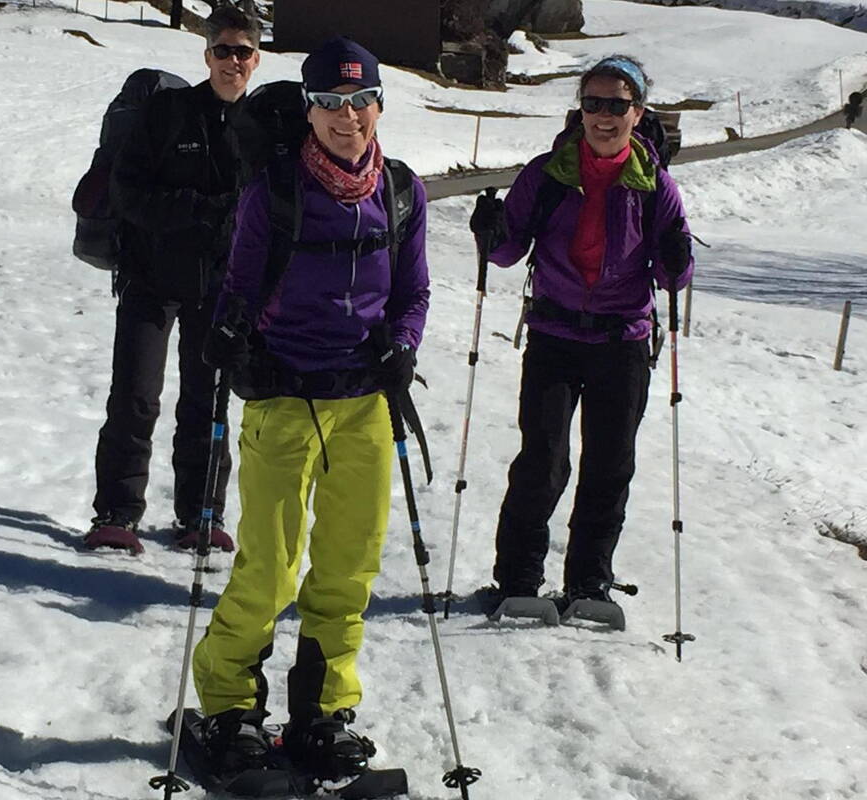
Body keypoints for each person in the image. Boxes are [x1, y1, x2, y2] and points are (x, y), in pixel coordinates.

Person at [189, 37, 430, 781]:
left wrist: (403, 345)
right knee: (270, 568)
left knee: (348, 570)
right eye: (330, 102)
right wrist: (228, 335)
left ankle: (323, 711)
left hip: (364, 403)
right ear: (310, 109)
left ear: (380, 103)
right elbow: (240, 280)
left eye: (360, 101)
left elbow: (413, 292)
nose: (347, 117)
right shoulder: (278, 190)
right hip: (285, 399)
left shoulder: (401, 190)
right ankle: (230, 706)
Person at [469, 55, 694, 613]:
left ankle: (588, 583)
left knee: (609, 464)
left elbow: (672, 276)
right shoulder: (547, 174)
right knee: (542, 461)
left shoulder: (654, 186)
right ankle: (518, 581)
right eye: (593, 103)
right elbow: (506, 251)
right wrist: (490, 232)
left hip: (621, 341)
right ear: (581, 111)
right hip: (554, 332)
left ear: (637, 113)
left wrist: (677, 256)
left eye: (617, 104)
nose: (604, 115)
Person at [85, 7, 262, 555]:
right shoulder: (168, 113)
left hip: (220, 287)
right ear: (206, 55)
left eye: (243, 52)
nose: (233, 62)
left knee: (207, 403)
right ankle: (116, 513)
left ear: (256, 59)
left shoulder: (262, 128)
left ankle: (201, 514)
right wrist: (196, 210)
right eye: (223, 51)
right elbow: (127, 192)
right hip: (150, 278)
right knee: (136, 397)